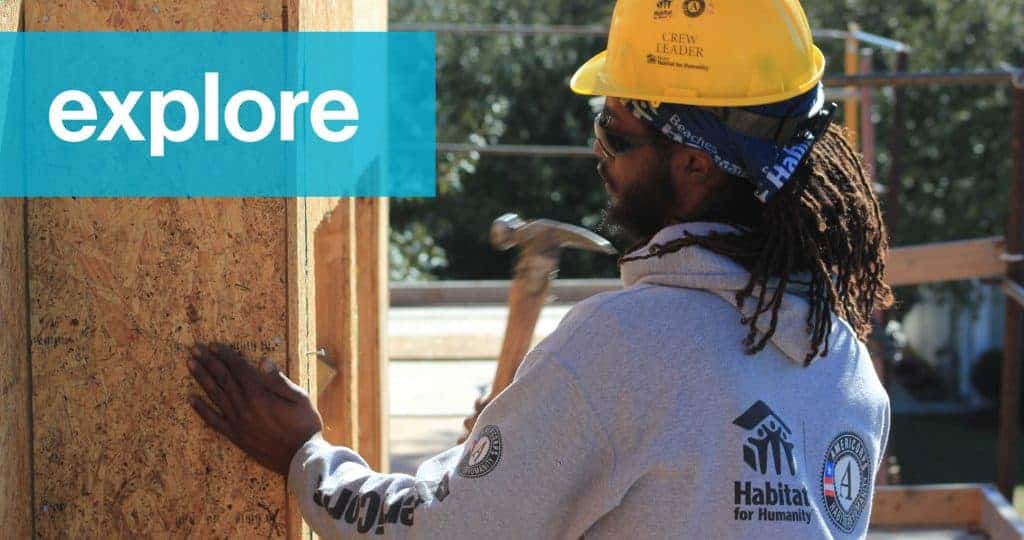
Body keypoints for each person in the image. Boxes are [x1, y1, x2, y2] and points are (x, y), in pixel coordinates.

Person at [187, 1, 893, 537]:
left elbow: (443, 531)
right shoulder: (849, 372)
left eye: (614, 132)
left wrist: (304, 457)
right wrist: (515, 453)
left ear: (694, 161)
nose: (598, 153)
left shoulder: (622, 348)